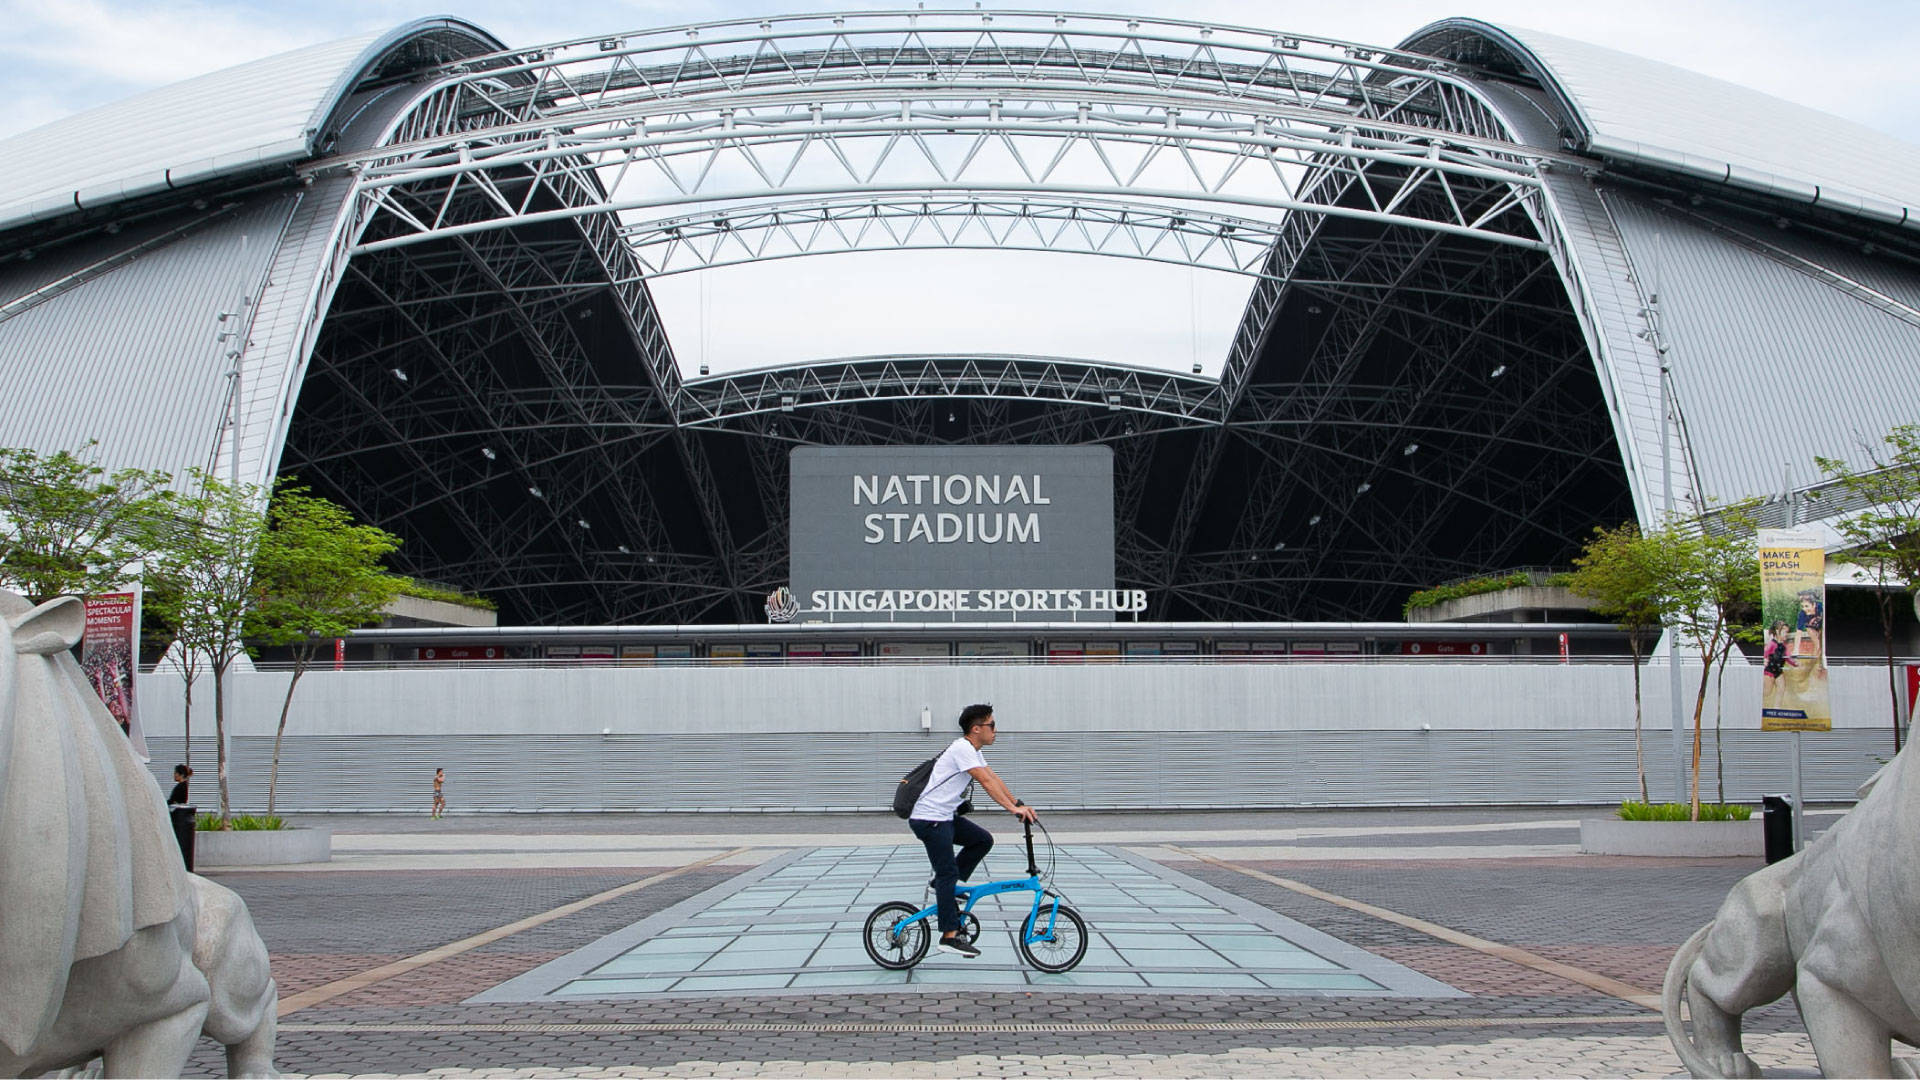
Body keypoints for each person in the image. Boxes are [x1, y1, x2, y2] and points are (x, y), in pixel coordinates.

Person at [907, 703, 1036, 959]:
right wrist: (1011, 810)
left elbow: (993, 777)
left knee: (981, 840)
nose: (995, 731)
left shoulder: (972, 750)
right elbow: (985, 782)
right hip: (929, 819)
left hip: (944, 817)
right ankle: (949, 936)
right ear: (976, 729)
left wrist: (1017, 803)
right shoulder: (962, 749)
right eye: (992, 725)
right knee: (948, 872)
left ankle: (943, 886)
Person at [167, 765, 195, 871]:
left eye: (175, 773)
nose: (174, 775)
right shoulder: (184, 786)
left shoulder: (181, 787)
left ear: (181, 775)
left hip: (178, 817)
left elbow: (174, 801)